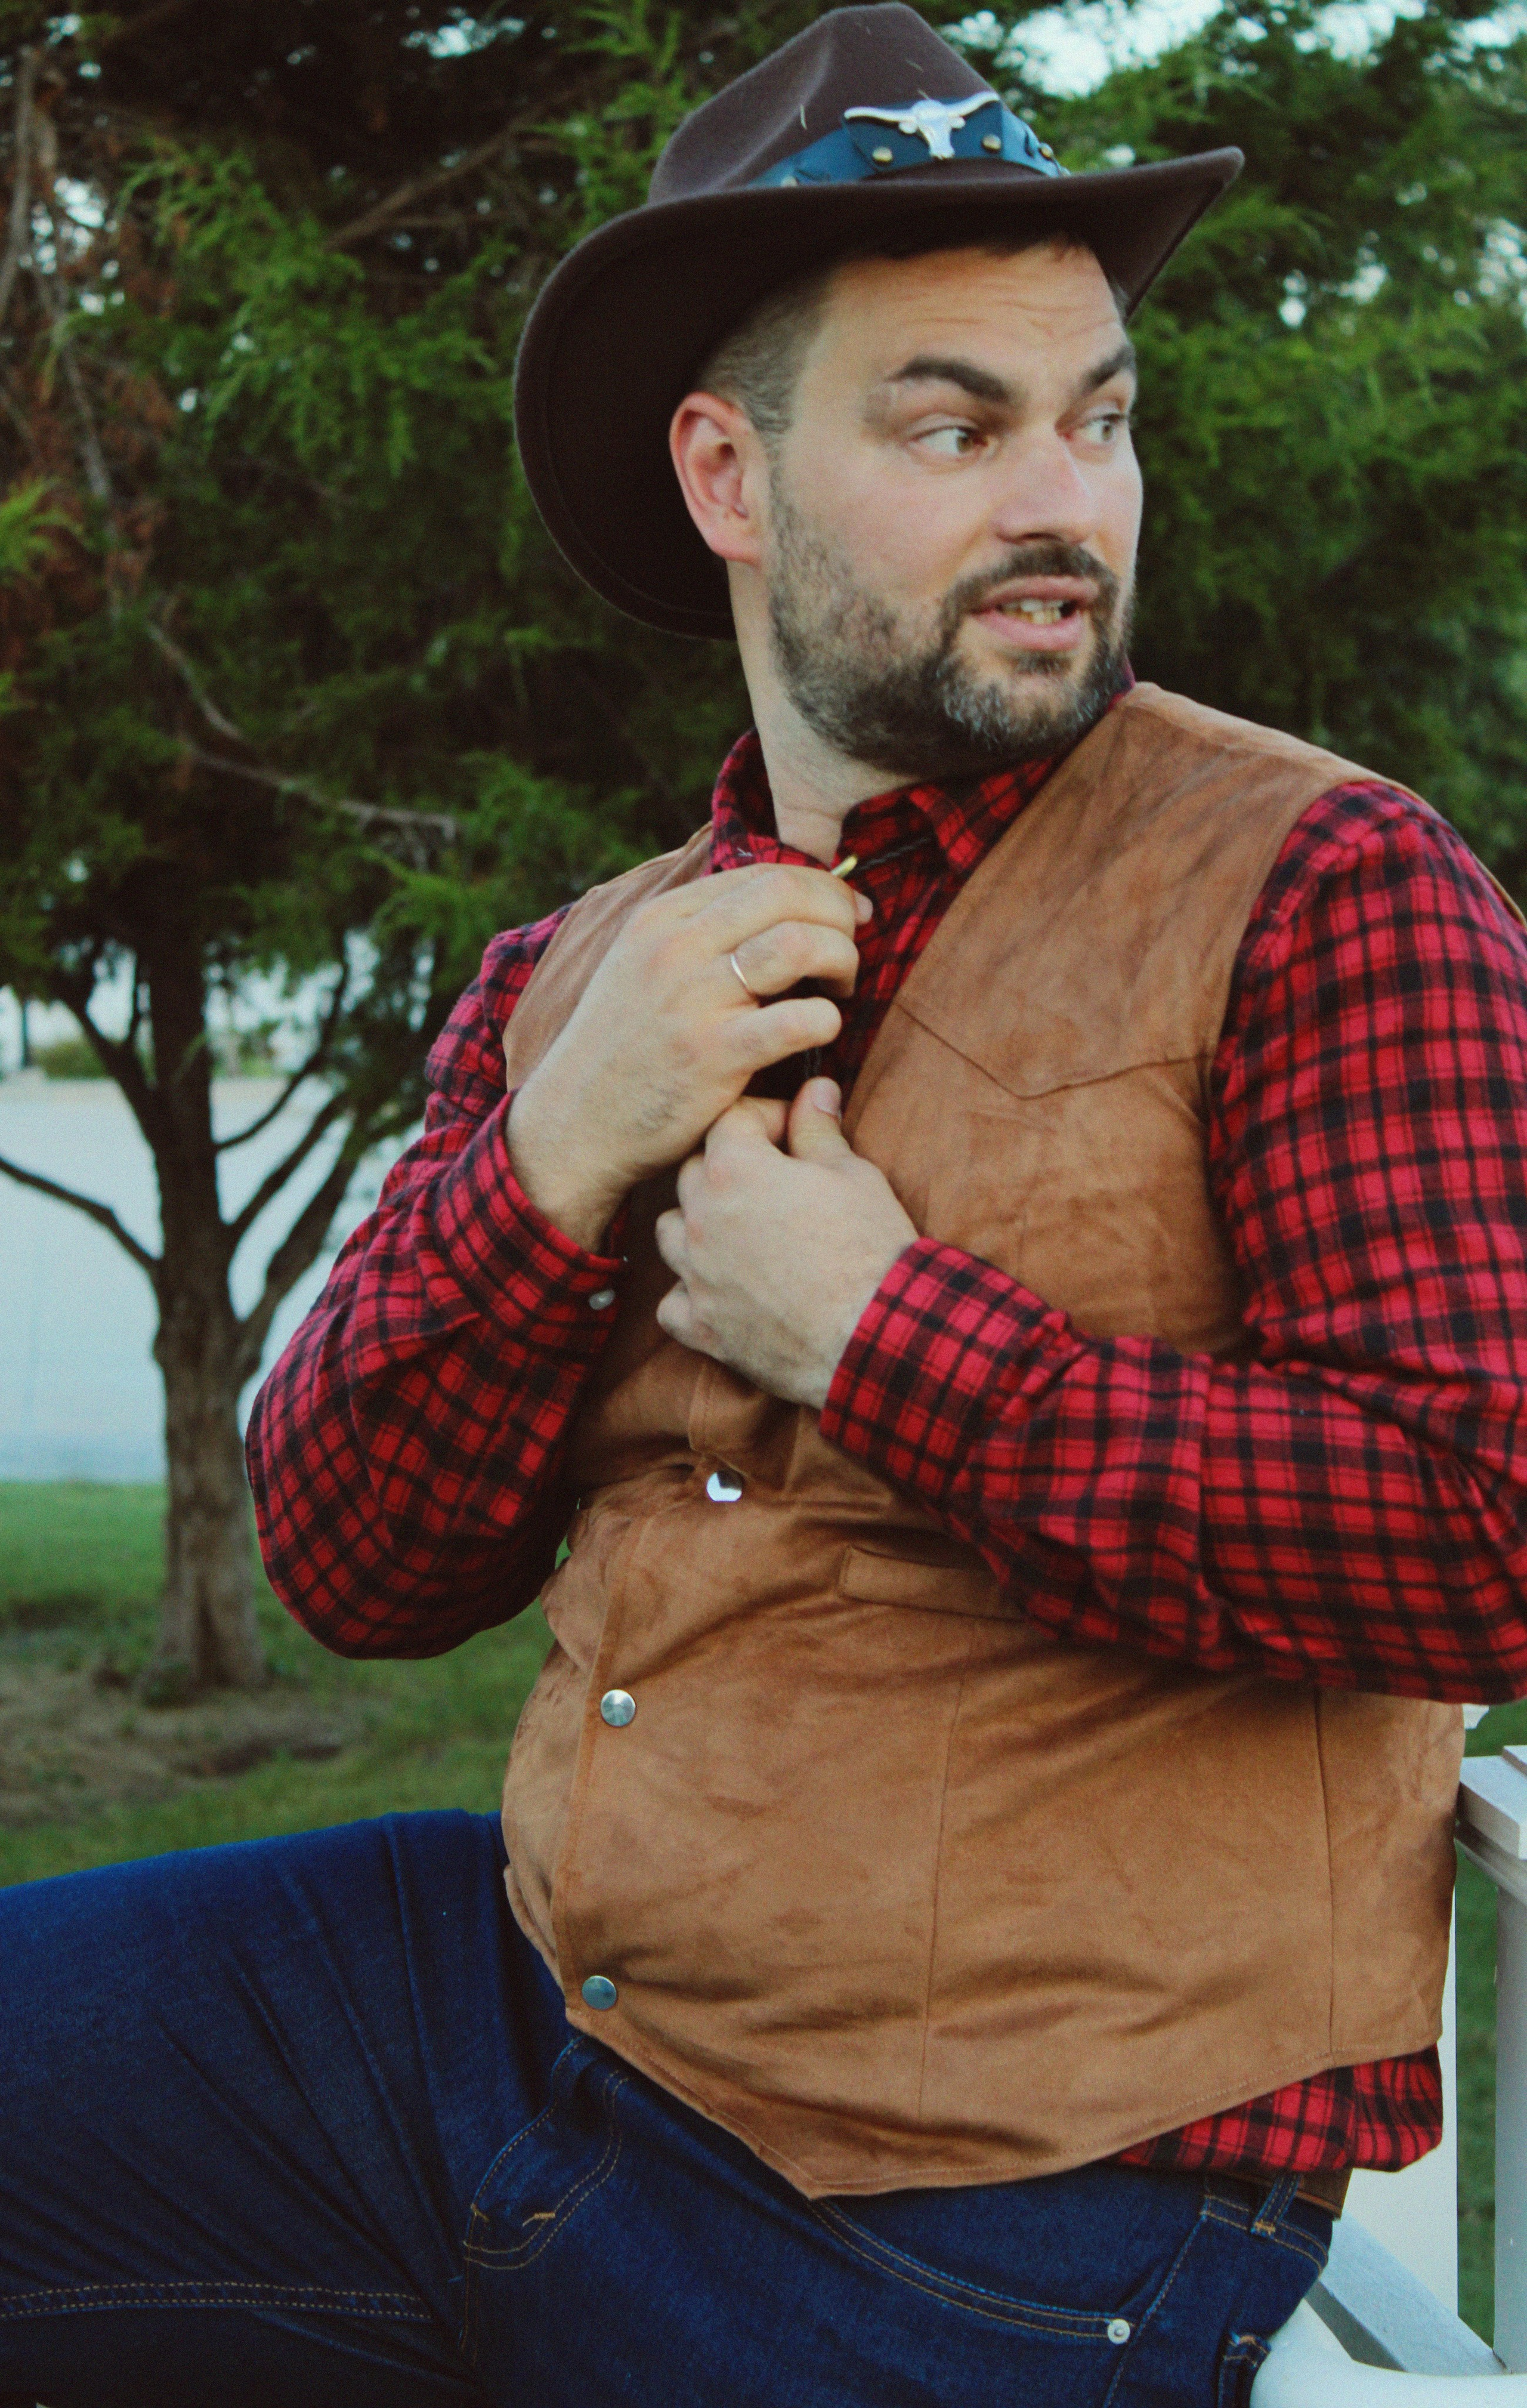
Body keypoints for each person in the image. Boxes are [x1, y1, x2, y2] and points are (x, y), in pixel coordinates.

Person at [5, 8, 1527, 2403]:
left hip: (1018, 2195)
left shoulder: (1327, 886)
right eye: (953, 420)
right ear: (729, 472)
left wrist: (883, 1337)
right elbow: (354, 1563)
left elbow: (1481, 1519)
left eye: (1099, 414)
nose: (1070, 500)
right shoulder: (577, 969)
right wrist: (551, 1158)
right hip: (531, 2021)